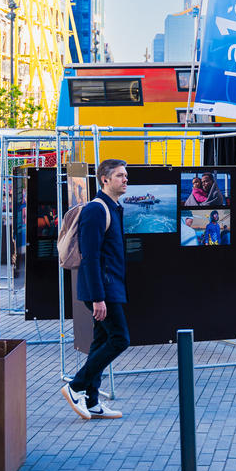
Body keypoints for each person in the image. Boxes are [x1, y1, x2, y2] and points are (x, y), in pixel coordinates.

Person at [62, 159, 129, 420]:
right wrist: (99, 298)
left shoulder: (113, 208)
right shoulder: (96, 210)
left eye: (125, 176)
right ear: (104, 179)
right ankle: (76, 385)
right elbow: (90, 257)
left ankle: (91, 401)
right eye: (120, 176)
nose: (125, 180)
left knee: (101, 341)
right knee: (120, 340)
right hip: (102, 291)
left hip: (110, 288)